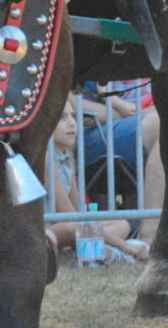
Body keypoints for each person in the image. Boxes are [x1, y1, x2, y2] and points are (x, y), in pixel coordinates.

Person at [46, 96, 149, 262]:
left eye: (73, 116)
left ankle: (93, 249)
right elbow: (70, 216)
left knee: (122, 223)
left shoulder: (66, 154)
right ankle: (105, 250)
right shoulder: (46, 157)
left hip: (71, 227)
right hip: (47, 230)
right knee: (78, 226)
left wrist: (91, 223)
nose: (72, 123)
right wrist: (125, 246)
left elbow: (80, 210)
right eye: (62, 118)